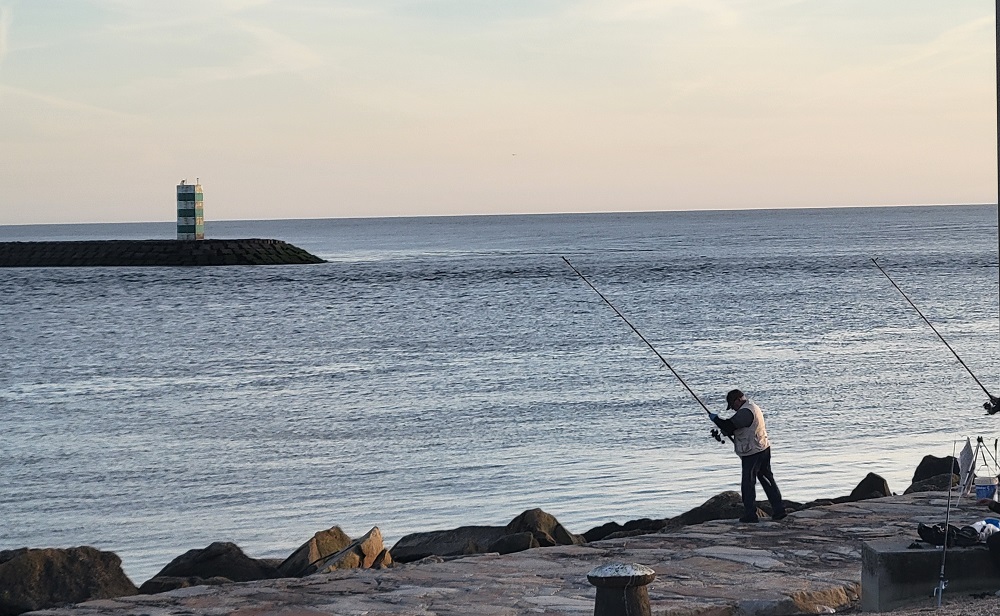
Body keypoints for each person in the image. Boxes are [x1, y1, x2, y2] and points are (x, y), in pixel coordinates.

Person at [709, 389, 787, 523]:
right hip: (763, 448)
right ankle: (779, 511)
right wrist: (726, 430)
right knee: (767, 480)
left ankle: (750, 515)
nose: (733, 409)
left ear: (738, 400)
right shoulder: (752, 407)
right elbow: (737, 428)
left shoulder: (745, 412)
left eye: (732, 405)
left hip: (752, 453)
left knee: (748, 483)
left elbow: (729, 425)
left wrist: (716, 419)